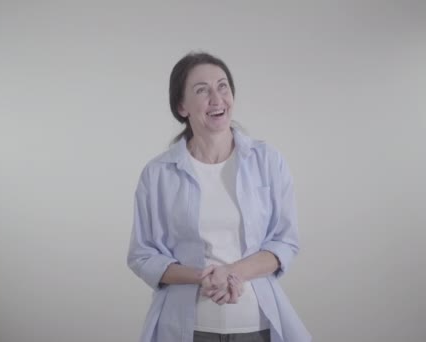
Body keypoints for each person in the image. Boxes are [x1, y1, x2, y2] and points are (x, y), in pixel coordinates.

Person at [127, 51, 311, 342]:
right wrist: (203, 275)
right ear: (182, 106)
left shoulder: (267, 161)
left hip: (256, 324)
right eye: (202, 90)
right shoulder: (158, 173)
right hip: (186, 328)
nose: (217, 98)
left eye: (222, 86)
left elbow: (284, 242)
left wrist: (232, 272)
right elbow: (142, 255)